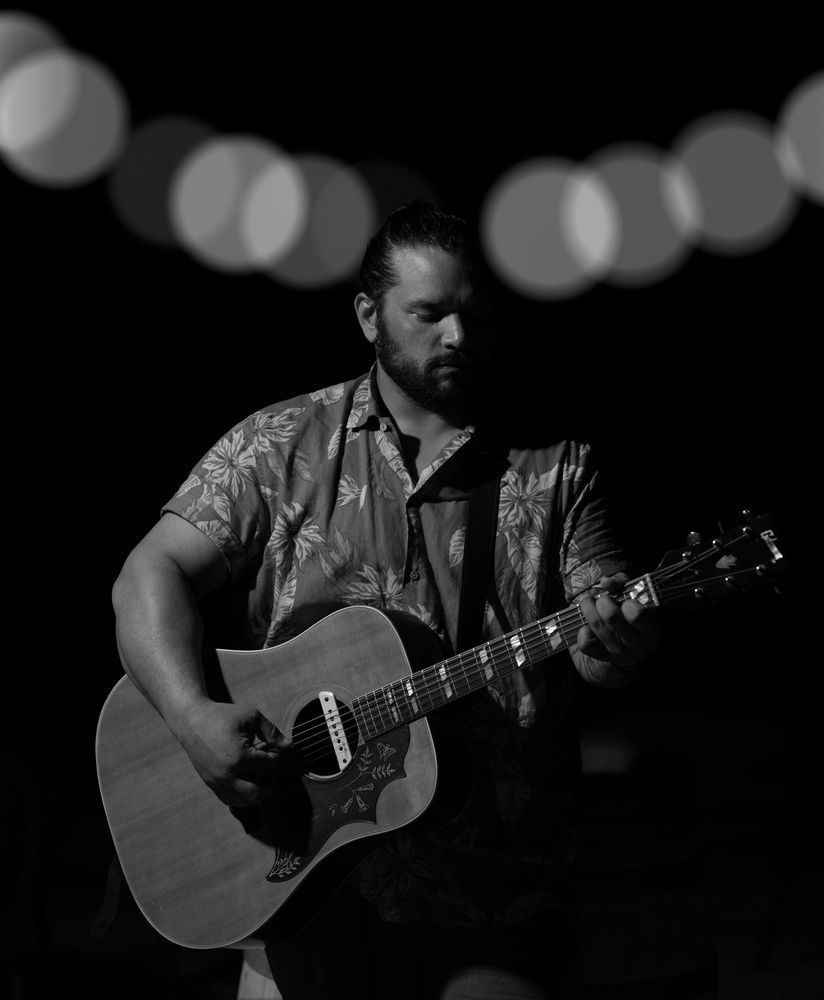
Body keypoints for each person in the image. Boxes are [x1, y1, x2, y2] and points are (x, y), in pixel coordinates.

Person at [111, 200, 661, 999]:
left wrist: (622, 643)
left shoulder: (557, 464)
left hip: (493, 884)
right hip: (298, 874)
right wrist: (192, 716)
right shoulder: (278, 445)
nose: (457, 336)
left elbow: (598, 648)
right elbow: (145, 574)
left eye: (474, 314)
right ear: (370, 316)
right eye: (428, 313)